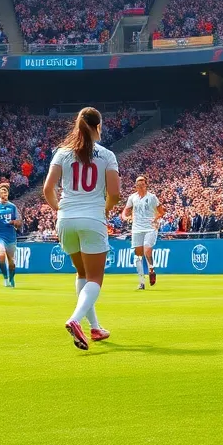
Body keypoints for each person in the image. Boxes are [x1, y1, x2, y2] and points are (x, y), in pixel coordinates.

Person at [42, 106, 121, 350]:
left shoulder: (62, 153)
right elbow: (115, 194)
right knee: (95, 278)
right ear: (98, 126)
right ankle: (75, 320)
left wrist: (59, 210)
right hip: (92, 218)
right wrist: (104, 210)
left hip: (66, 219)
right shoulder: (107, 155)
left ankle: (94, 327)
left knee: (82, 274)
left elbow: (47, 189)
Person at [122, 175, 163, 290]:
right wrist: (126, 217)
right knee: (138, 257)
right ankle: (141, 282)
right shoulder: (132, 198)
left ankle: (151, 269)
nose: (140, 185)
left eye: (142, 183)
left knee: (147, 249)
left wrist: (156, 219)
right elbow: (125, 212)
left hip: (150, 227)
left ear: (146, 185)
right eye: (138, 183)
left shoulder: (152, 197)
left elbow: (161, 212)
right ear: (135, 186)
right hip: (137, 229)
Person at [0, 184, 21, 288]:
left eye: (6, 191)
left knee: (12, 263)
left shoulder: (13, 207)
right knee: (1, 255)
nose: (4, 193)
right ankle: (5, 277)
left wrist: (14, 222)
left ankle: (11, 278)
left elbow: (19, 222)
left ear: (8, 194)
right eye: (2, 191)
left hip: (10, 237)